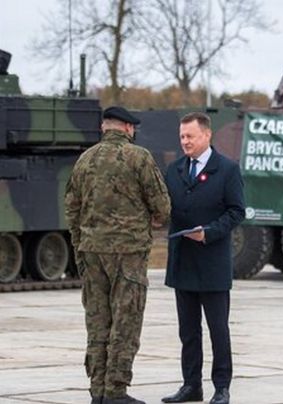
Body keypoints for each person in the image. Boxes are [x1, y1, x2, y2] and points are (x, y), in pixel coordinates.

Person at [65, 106, 171, 404]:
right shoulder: (139, 157)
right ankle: (116, 391)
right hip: (128, 252)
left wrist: (81, 245)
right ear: (127, 128)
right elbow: (162, 207)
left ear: (104, 128)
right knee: (126, 320)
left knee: (97, 321)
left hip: (91, 252)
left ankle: (98, 390)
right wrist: (151, 219)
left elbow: (72, 208)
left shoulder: (85, 159)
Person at [161, 112, 245, 404]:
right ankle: (191, 386)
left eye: (190, 136)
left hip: (212, 262)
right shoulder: (174, 170)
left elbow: (237, 211)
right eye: (182, 136)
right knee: (188, 331)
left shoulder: (227, 169)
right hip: (183, 260)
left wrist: (208, 232)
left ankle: (221, 388)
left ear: (207, 135)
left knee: (218, 330)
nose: (185, 141)